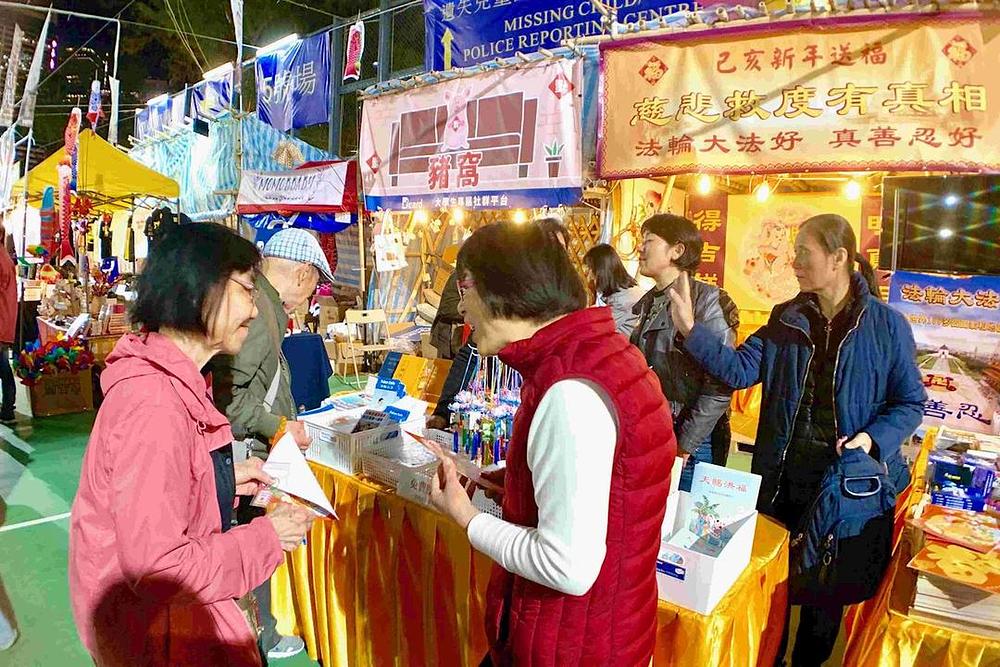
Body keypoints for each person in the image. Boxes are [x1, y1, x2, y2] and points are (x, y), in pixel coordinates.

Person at [667, 214, 926, 667]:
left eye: (804, 252)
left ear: (839, 257)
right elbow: (739, 370)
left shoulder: (887, 327)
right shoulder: (785, 319)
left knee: (824, 602)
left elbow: (910, 403)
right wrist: (692, 330)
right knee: (774, 589)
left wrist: (871, 438)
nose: (794, 262)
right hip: (782, 481)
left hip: (842, 488)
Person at [427, 222, 676, 666]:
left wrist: (466, 518)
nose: (461, 307)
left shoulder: (569, 393)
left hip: (569, 645)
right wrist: (517, 483)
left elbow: (567, 567)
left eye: (465, 288)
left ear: (506, 290)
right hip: (606, 632)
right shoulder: (606, 355)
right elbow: (617, 491)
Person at [68, 223, 315, 666]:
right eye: (246, 290)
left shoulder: (173, 383)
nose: (255, 311)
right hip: (159, 639)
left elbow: (159, 494)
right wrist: (267, 538)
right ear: (202, 291)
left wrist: (218, 480)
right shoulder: (154, 405)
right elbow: (161, 568)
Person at [209, 227, 333, 661]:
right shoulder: (260, 312)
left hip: (249, 454)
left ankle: (261, 634)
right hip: (247, 455)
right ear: (301, 275)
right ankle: (261, 637)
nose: (314, 293)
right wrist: (279, 425)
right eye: (316, 282)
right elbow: (229, 399)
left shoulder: (264, 308)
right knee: (250, 543)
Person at [631, 214, 739, 489]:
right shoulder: (651, 301)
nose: (640, 248)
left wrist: (684, 445)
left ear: (677, 250)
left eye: (649, 241)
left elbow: (720, 384)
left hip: (691, 445)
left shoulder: (709, 302)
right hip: (654, 434)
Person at [583, 243, 647, 337]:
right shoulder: (624, 291)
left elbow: (597, 330)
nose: (589, 276)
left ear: (601, 272)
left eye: (590, 270)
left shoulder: (623, 301)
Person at [0, 223, 16, 423]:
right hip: (5, 316)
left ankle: (8, 408)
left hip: (2, 317)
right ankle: (8, 406)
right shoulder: (4, 256)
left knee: (2, 364)